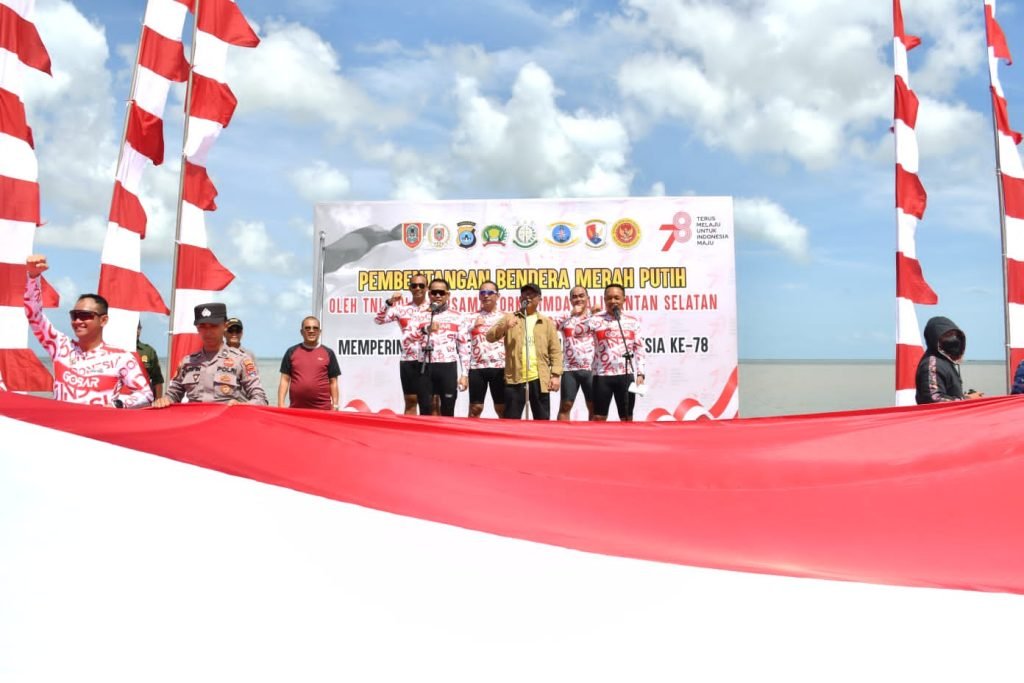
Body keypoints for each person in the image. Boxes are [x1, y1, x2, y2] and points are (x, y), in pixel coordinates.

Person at [23, 254, 153, 407]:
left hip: (97, 423)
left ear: (103, 320)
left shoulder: (121, 358)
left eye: (85, 316)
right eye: (74, 315)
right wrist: (33, 277)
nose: (78, 321)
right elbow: (34, 316)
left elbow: (146, 394)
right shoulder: (61, 347)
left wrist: (118, 404)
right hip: (61, 422)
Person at [152, 303, 268, 407]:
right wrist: (164, 400)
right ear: (197, 328)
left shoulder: (241, 360)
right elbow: (173, 395)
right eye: (202, 326)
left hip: (227, 421)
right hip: (195, 422)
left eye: (213, 326)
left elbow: (261, 399)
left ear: (225, 326)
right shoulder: (187, 362)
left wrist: (242, 406)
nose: (208, 332)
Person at [485, 283, 562, 420]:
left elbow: (555, 351)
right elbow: (490, 337)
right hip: (515, 378)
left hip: (539, 379)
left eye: (532, 294)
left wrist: (555, 375)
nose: (528, 297)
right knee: (511, 421)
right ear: (520, 298)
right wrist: (505, 326)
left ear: (540, 299)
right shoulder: (510, 318)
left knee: (542, 421)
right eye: (525, 294)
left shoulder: (546, 322)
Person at [574, 283, 646, 421]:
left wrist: (641, 373)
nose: (613, 301)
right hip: (602, 376)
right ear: (604, 300)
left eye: (617, 298)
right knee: (598, 417)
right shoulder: (596, 319)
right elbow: (577, 332)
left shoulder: (632, 321)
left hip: (625, 375)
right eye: (609, 298)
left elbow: (639, 348)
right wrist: (589, 316)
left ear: (624, 299)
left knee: (627, 418)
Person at [408, 278, 469, 416]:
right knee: (425, 410)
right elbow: (408, 338)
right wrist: (425, 330)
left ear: (448, 294)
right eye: (434, 292)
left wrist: (465, 374)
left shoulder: (458, 316)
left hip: (447, 367)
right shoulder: (419, 314)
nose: (437, 295)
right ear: (429, 294)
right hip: (425, 366)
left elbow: (464, 347)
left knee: (448, 409)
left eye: (441, 293)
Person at [375, 272, 431, 415]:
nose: (417, 288)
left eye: (421, 285)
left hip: (429, 360)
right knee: (411, 401)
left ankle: (430, 430)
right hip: (408, 359)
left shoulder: (434, 309)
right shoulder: (401, 308)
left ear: (427, 288)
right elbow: (378, 320)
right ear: (409, 288)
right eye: (414, 285)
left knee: (429, 403)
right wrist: (389, 302)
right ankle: (410, 429)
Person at [550, 285, 596, 421]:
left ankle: (594, 434)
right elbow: (549, 326)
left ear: (588, 298)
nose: (578, 299)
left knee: (594, 407)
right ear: (570, 300)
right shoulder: (566, 318)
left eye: (581, 296)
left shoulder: (595, 317)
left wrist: (595, 313)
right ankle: (562, 434)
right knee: (565, 405)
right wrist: (570, 313)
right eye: (574, 297)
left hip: (592, 369)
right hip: (570, 369)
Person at [278, 316, 341, 410]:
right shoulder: (291, 352)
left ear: (320, 332)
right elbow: (285, 380)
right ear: (301, 332)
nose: (311, 331)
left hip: (323, 409)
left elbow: (333, 382)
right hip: (296, 409)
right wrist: (281, 403)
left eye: (315, 328)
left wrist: (335, 405)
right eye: (307, 328)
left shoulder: (328, 353)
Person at [915, 316, 983, 404]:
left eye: (954, 335)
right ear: (934, 338)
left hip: (953, 412)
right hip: (939, 413)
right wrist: (968, 399)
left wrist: (964, 397)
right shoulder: (932, 364)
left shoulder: (945, 361)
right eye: (947, 335)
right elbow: (934, 399)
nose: (953, 339)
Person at [467, 280, 506, 418]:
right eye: (483, 292)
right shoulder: (471, 317)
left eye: (490, 292)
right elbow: (460, 339)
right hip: (477, 367)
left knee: (502, 409)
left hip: (500, 367)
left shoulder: (506, 317)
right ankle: (471, 432)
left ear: (498, 296)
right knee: (475, 409)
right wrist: (473, 327)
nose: (486, 295)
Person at [136, 321, 164, 399]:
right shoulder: (116, 350)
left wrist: (158, 401)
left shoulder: (148, 351)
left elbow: (157, 380)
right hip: (119, 401)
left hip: (144, 400)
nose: (137, 330)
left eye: (138, 327)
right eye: (134, 326)